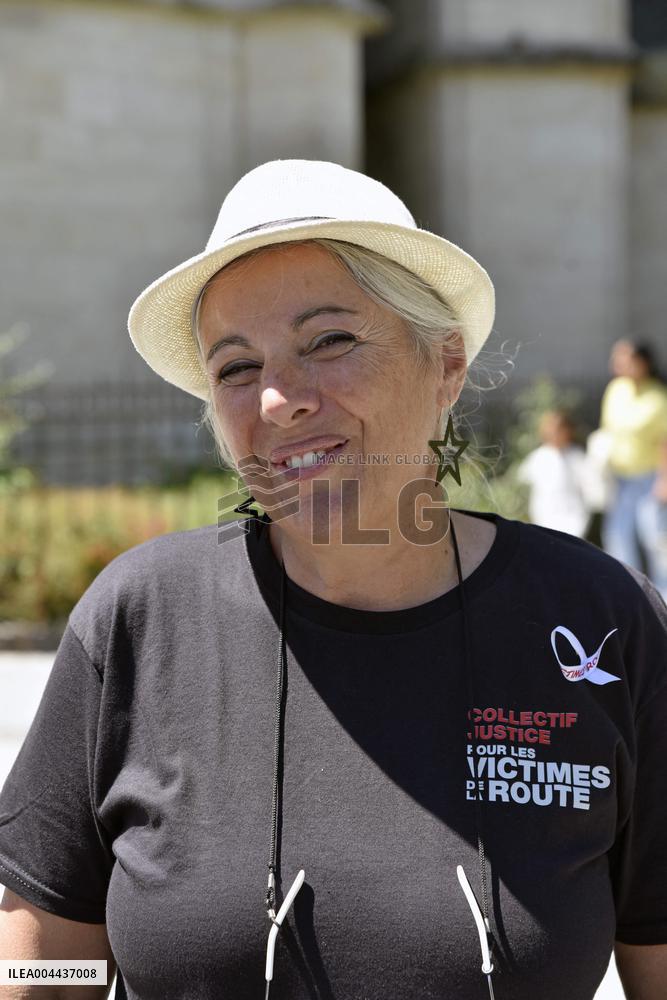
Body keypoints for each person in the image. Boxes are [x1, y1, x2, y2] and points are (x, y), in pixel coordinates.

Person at [1, 160, 666, 1000]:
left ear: (446, 367)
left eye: (329, 341)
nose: (278, 398)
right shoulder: (138, 621)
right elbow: (36, 960)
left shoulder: (600, 622)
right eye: (236, 367)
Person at [600, 339, 667, 599]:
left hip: (650, 479)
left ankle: (662, 597)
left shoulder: (658, 398)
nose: (616, 364)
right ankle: (627, 594)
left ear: (642, 363)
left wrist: (664, 481)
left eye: (623, 358)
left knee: (655, 538)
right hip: (620, 479)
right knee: (618, 536)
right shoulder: (616, 389)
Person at [516, 409, 592, 537]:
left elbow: (590, 484)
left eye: (560, 431)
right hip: (545, 515)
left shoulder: (577, 456)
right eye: (553, 431)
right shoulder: (539, 457)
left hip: (573, 515)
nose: (556, 435)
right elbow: (522, 481)